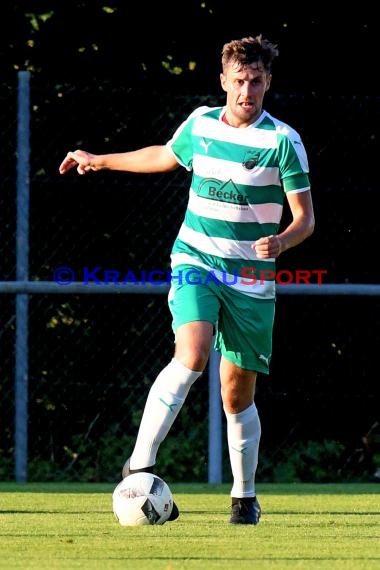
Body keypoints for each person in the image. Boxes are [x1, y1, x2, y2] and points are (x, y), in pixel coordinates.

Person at [59, 34, 315, 525]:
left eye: (256, 81)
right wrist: (101, 158)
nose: (247, 91)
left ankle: (244, 496)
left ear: (267, 83)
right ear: (223, 81)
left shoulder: (283, 141)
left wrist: (282, 241)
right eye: (239, 81)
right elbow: (163, 155)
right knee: (193, 351)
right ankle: (139, 462)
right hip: (195, 260)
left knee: (236, 392)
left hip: (251, 279)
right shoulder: (199, 123)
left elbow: (305, 219)